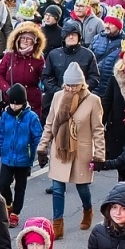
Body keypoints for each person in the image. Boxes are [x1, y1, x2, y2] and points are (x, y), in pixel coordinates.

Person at [37, 62, 106, 236]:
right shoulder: (58, 96)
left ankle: (87, 210)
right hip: (60, 149)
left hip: (81, 152)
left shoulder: (93, 100)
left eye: (75, 85)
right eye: (68, 85)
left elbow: (98, 130)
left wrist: (99, 156)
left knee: (82, 188)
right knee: (58, 189)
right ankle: (57, 225)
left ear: (82, 84)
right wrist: (42, 147)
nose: (71, 88)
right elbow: (50, 123)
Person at [0, 85, 42, 226]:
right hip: (7, 157)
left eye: (18, 103)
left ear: (24, 102)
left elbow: (38, 136)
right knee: (3, 184)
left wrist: (40, 153)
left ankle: (15, 213)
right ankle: (8, 204)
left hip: (23, 159)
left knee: (20, 187)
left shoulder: (31, 117)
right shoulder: (5, 115)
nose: (14, 106)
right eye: (12, 103)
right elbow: (1, 135)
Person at [0, 22, 47, 117]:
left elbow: (44, 77)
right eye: (22, 38)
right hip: (12, 101)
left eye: (29, 39)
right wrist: (7, 89)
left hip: (32, 103)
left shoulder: (38, 58)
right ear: (17, 39)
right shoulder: (9, 56)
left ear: (34, 41)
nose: (25, 41)